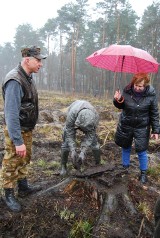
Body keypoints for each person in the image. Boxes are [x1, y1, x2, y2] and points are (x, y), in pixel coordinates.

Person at [1, 46, 47, 212]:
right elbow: (11, 114)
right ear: (27, 59)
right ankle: (8, 194)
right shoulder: (15, 80)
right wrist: (17, 140)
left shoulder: (27, 77)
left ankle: (23, 187)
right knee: (11, 161)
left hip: (26, 129)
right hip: (17, 130)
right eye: (38, 60)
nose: (41, 64)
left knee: (24, 159)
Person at [113, 72, 160, 184]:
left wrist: (156, 130)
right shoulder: (127, 91)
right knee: (125, 147)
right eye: (136, 85)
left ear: (145, 85)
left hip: (142, 127)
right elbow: (121, 106)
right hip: (126, 124)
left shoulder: (151, 95)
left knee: (142, 150)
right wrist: (118, 99)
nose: (138, 88)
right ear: (133, 83)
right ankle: (125, 168)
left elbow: (154, 113)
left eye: (140, 86)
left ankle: (143, 173)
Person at [60, 100, 101, 176]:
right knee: (66, 143)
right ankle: (63, 166)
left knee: (94, 143)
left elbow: (90, 136)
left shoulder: (95, 118)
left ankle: (98, 164)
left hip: (89, 124)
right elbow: (69, 132)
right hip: (73, 119)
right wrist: (73, 150)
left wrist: (83, 152)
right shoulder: (72, 114)